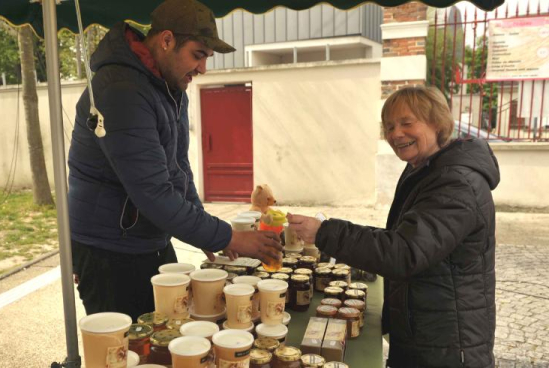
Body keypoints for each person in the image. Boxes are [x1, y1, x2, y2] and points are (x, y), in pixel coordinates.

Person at [68, 0, 281, 321]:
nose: (203, 69)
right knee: (127, 349)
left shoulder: (168, 87)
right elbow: (153, 193)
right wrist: (229, 236)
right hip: (109, 252)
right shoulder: (121, 89)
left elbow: (178, 171)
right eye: (198, 55)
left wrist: (209, 231)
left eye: (207, 59)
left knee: (170, 329)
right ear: (166, 40)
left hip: (147, 240)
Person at [288, 86, 499, 368]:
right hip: (426, 331)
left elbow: (404, 252)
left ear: (437, 122)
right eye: (389, 126)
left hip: (447, 346)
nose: (395, 134)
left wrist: (324, 232)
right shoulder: (425, 169)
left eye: (407, 123)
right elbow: (403, 237)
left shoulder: (455, 183)